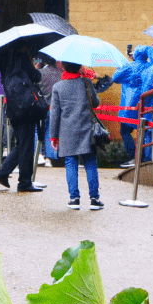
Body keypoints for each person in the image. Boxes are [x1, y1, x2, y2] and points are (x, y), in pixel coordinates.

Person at [49, 61, 103, 210]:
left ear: (64, 67)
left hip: (66, 132)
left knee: (70, 163)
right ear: (79, 66)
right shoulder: (85, 83)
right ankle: (94, 199)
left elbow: (54, 114)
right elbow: (96, 103)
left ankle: (74, 199)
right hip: (86, 129)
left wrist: (53, 136)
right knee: (90, 162)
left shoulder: (58, 87)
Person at [0, 47, 46, 193]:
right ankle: (24, 182)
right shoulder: (22, 55)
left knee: (22, 143)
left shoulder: (4, 59)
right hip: (26, 108)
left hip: (14, 108)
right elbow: (36, 76)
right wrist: (32, 64)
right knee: (26, 145)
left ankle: (3, 172)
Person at [33, 54, 61, 164]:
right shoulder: (61, 74)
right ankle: (49, 158)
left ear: (45, 61)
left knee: (36, 129)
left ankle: (38, 154)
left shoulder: (40, 73)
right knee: (50, 131)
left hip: (41, 106)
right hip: (55, 107)